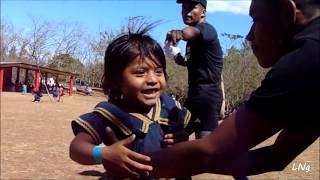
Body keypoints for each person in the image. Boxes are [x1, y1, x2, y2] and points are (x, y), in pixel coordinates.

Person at [102, 0, 320, 178]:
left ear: (285, 12)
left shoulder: (304, 62)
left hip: (208, 98)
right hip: (194, 96)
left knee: (209, 144)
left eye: (255, 20)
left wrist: (130, 164)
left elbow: (209, 153)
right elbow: (277, 157)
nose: (249, 35)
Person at [69, 25, 191, 179]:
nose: (153, 79)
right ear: (115, 80)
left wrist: (181, 139)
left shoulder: (170, 107)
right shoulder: (109, 113)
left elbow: (186, 138)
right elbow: (76, 148)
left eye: (158, 71)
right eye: (140, 73)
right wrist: (105, 154)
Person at [164, 0, 224, 139]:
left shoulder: (207, 30)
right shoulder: (192, 42)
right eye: (184, 8)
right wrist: (176, 54)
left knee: (204, 144)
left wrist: (179, 33)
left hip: (208, 99)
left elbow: (191, 32)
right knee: (172, 134)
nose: (186, 11)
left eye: (192, 8)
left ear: (203, 12)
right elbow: (188, 62)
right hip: (193, 96)